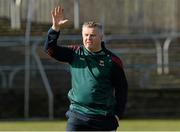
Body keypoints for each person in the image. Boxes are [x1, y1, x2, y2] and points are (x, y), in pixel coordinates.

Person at [44, 5, 128, 131]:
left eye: (93, 35)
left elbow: (122, 89)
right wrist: (55, 28)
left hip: (104, 119)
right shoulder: (75, 53)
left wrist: (117, 114)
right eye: (86, 35)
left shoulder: (113, 61)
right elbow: (50, 49)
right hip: (77, 116)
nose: (88, 38)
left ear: (101, 37)